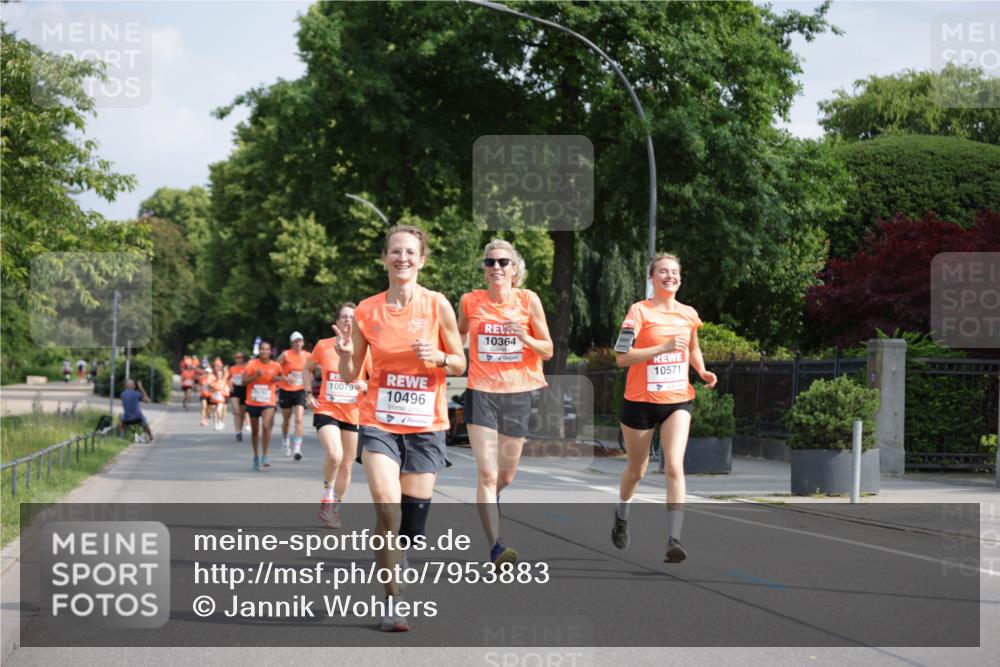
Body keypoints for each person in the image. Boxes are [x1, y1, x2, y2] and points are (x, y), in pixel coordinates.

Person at [334, 224, 465, 632]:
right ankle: (392, 602)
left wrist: (440, 356)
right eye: (395, 251)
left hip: (425, 425)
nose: (402, 258)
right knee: (387, 511)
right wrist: (344, 353)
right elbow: (351, 371)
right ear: (384, 258)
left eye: (410, 252)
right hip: (378, 423)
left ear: (421, 260)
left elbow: (461, 364)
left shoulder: (437, 305)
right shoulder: (367, 311)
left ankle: (400, 551)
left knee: (412, 528)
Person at [611, 253, 717, 563]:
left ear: (680, 278)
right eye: (663, 271)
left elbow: (692, 346)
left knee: (674, 465)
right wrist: (662, 348)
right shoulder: (638, 312)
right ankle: (621, 514)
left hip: (677, 400)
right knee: (636, 471)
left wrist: (701, 369)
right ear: (652, 278)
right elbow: (621, 357)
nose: (669, 276)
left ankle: (674, 539)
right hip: (640, 402)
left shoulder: (688, 314)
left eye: (674, 272)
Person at [457, 240, 552, 566]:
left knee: (505, 476)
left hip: (517, 393)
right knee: (486, 473)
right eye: (490, 262)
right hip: (481, 392)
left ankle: (494, 496)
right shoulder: (470, 301)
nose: (496, 267)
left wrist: (523, 336)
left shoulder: (529, 300)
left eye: (503, 262)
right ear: (484, 269)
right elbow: (457, 339)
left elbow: (548, 349)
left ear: (515, 270)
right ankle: (496, 547)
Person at [306, 303, 371, 528]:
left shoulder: (364, 349)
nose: (347, 321)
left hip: (353, 413)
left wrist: (366, 384)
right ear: (337, 320)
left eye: (352, 318)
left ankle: (335, 507)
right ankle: (327, 495)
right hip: (326, 409)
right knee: (335, 454)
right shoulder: (324, 346)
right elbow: (307, 369)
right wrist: (307, 394)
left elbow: (377, 377)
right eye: (344, 317)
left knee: (347, 464)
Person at [243, 341, 285, 471]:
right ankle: (256, 456)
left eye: (267, 349)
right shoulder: (251, 364)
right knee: (255, 431)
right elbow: (243, 382)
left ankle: (265, 455)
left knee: (266, 427)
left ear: (270, 351)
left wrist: (278, 380)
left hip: (268, 401)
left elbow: (280, 377)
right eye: (262, 349)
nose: (264, 352)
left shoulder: (276, 365)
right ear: (259, 351)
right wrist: (255, 376)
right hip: (253, 401)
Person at [276, 332, 309, 460]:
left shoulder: (307, 355)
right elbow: (274, 367)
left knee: (299, 419)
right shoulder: (286, 354)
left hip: (300, 390)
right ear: (291, 343)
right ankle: (285, 439)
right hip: (286, 390)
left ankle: (297, 448)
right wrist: (285, 377)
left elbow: (315, 367)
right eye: (295, 341)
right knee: (286, 419)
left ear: (303, 342)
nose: (298, 343)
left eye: (300, 341)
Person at [228, 352, 249, 441]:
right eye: (237, 357)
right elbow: (228, 378)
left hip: (244, 389)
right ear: (235, 358)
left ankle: (240, 430)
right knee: (236, 411)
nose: (239, 358)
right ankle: (237, 432)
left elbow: (250, 377)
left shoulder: (247, 368)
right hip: (235, 389)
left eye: (241, 357)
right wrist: (230, 385)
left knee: (242, 412)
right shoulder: (232, 368)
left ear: (243, 358)